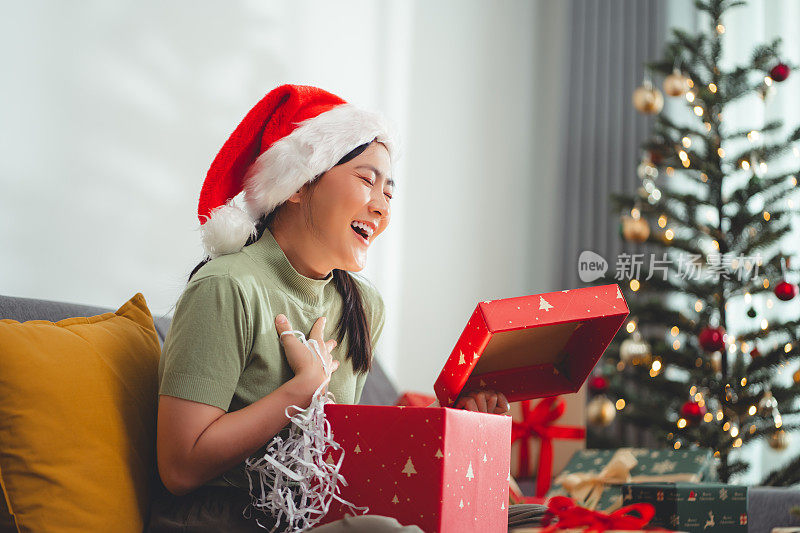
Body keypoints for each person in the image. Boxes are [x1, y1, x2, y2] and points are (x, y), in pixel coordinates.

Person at [148, 84, 510, 532]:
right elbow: (179, 469)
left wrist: (454, 429)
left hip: (311, 515)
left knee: (526, 520)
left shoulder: (363, 306)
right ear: (298, 184)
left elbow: (339, 455)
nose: (381, 206)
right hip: (223, 518)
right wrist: (300, 391)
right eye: (366, 179)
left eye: (389, 192)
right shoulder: (227, 287)